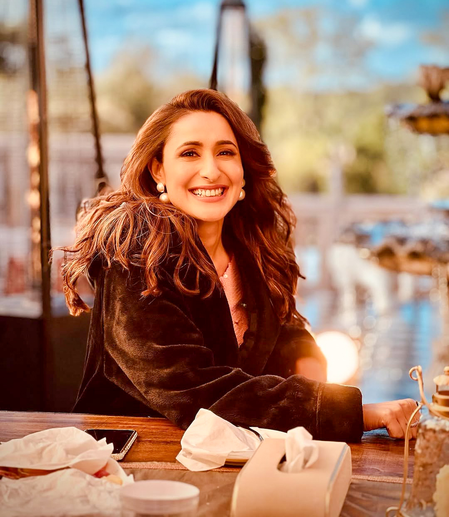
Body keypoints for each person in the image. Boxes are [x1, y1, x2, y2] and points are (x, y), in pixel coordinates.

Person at [60, 89, 418, 442]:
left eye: (225, 152)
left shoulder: (251, 250)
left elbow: (287, 333)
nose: (211, 170)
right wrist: (348, 412)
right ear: (158, 169)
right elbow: (192, 390)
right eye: (190, 153)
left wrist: (310, 374)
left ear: (243, 168)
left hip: (235, 455)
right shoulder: (135, 255)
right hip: (133, 458)